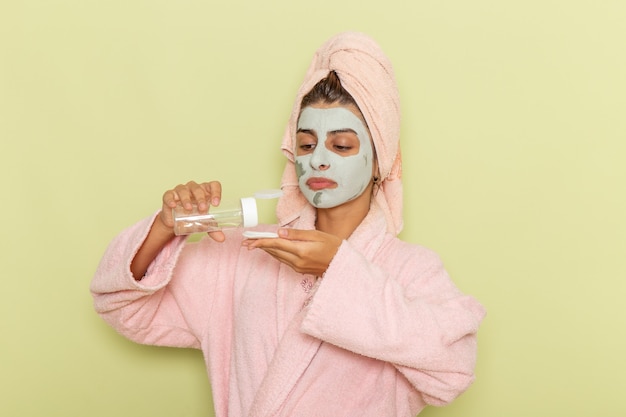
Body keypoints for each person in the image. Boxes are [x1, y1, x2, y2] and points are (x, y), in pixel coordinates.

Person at [91, 32, 486, 417]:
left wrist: (339, 270)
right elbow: (122, 307)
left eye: (342, 145)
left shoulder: (412, 272)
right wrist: (164, 227)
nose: (318, 160)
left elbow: (453, 370)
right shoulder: (246, 254)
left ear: (380, 159)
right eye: (307, 144)